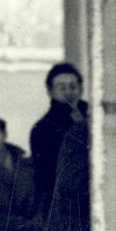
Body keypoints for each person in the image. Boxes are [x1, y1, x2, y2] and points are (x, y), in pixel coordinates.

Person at [29, 62, 86, 214]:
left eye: (73, 86)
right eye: (61, 88)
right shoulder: (42, 129)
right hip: (63, 206)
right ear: (50, 91)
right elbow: (46, 176)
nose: (68, 92)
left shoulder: (95, 116)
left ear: (81, 89)